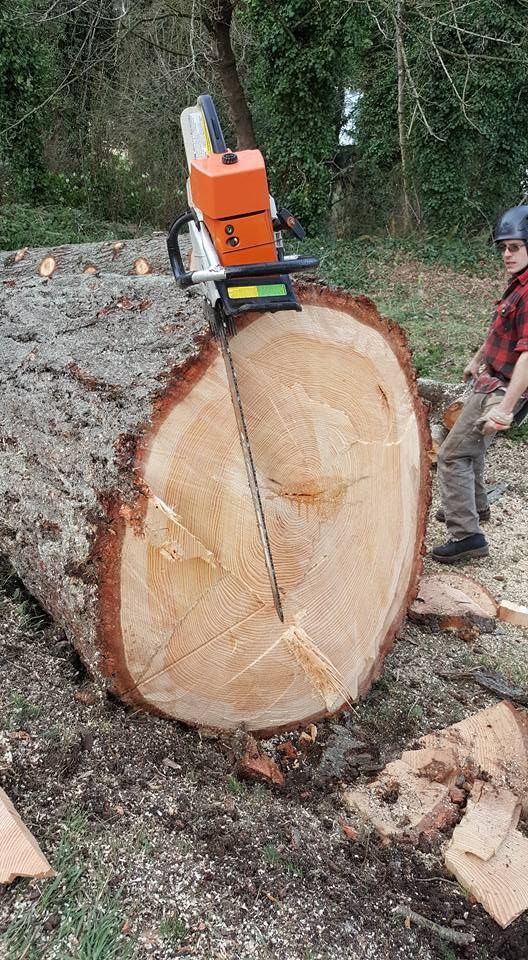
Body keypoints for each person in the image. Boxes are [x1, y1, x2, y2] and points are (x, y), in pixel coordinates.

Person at [431, 204, 528, 563]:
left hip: (504, 389)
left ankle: (467, 536)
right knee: (470, 448)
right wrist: (477, 360)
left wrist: (505, 408)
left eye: (515, 247)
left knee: (452, 454)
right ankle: (476, 506)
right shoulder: (518, 285)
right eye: (503, 247)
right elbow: (500, 331)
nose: (507, 254)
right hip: (491, 380)